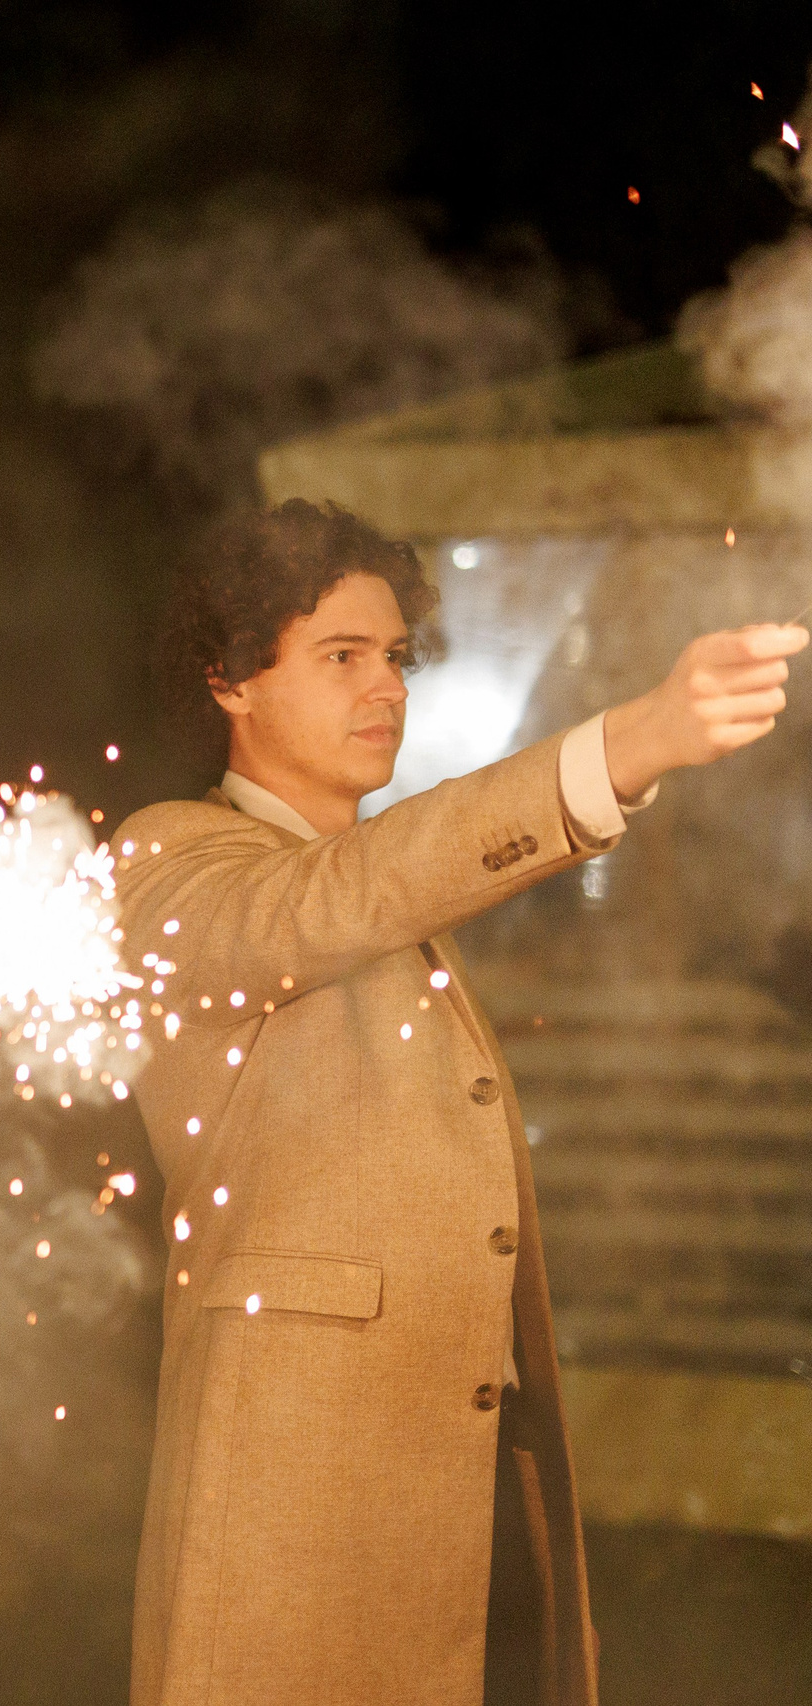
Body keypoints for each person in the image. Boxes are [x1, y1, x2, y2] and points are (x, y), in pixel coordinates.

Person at [116, 500, 804, 1706]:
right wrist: (625, 742)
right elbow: (329, 903)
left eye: (396, 657)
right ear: (229, 678)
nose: (384, 686)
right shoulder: (170, 857)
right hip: (298, 1485)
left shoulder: (381, 887)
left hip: (463, 1475)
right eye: (340, 655)